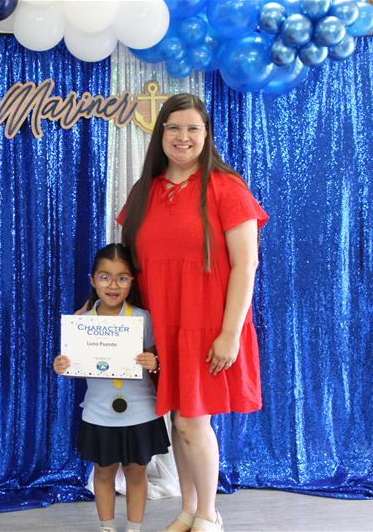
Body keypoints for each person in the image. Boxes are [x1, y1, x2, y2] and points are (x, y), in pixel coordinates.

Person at [117, 93, 268, 532]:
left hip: (207, 327)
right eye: (174, 127)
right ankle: (188, 509)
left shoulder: (227, 188)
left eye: (192, 128)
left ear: (206, 135)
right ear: (161, 133)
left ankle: (208, 515)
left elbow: (246, 265)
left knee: (190, 421)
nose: (182, 137)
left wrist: (230, 333)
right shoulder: (145, 191)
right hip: (162, 327)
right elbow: (129, 267)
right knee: (177, 420)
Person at [54, 243, 170, 532]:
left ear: (132, 281)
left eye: (122, 277)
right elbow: (75, 365)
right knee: (103, 473)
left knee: (136, 473)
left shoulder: (143, 319)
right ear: (93, 280)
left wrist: (154, 361)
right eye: (105, 277)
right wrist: (62, 366)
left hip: (140, 412)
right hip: (99, 413)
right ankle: (107, 527)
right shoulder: (80, 323)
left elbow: (158, 361)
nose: (113, 285)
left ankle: (134, 528)